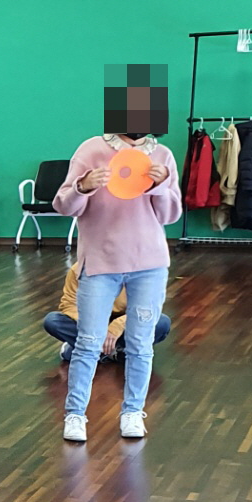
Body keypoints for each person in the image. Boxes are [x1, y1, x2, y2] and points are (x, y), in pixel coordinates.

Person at [51, 64, 182, 443]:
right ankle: (75, 415)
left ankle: (133, 412)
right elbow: (63, 204)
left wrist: (160, 186)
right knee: (88, 343)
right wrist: (83, 186)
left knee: (141, 345)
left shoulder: (163, 156)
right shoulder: (91, 149)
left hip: (149, 266)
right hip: (100, 265)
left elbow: (170, 215)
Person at [42, 264, 171, 363]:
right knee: (52, 321)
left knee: (162, 322)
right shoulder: (79, 269)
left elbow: (146, 309)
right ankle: (117, 352)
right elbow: (69, 305)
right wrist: (96, 326)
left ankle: (89, 349)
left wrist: (116, 327)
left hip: (126, 322)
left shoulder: (142, 271)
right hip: (92, 321)